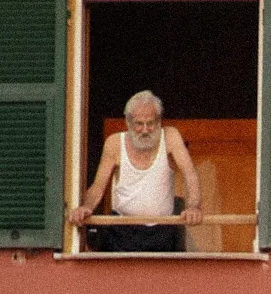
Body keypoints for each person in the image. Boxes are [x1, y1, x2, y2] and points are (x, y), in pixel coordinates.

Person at [68, 90, 204, 251]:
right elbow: (98, 186)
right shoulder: (114, 143)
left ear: (159, 122)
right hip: (122, 230)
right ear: (128, 122)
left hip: (163, 231)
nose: (145, 130)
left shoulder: (170, 137)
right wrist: (86, 207)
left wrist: (194, 207)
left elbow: (190, 175)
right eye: (139, 124)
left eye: (151, 123)